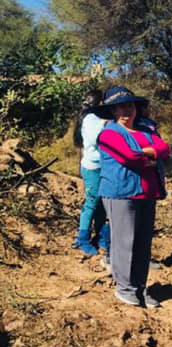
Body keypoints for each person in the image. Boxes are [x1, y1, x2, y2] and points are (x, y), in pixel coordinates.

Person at [95, 86, 170, 308]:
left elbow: (164, 149)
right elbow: (129, 157)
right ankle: (124, 288)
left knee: (142, 244)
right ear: (112, 110)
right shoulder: (109, 133)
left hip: (146, 193)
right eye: (121, 106)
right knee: (124, 242)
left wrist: (146, 153)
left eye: (130, 105)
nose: (127, 110)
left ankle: (139, 287)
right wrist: (149, 155)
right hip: (120, 193)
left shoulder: (146, 131)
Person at [73, 90, 109, 258]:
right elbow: (96, 138)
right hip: (93, 167)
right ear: (98, 103)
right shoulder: (92, 119)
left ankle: (101, 235)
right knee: (92, 202)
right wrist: (107, 123)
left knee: (101, 202)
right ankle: (82, 238)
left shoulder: (94, 118)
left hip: (100, 166)